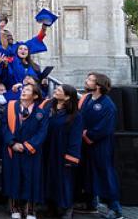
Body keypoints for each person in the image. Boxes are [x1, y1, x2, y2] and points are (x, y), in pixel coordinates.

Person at [77, 72, 123, 219]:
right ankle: (91, 204)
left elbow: (105, 128)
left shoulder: (108, 105)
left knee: (104, 174)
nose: (86, 81)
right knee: (88, 173)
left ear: (98, 85)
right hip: (85, 145)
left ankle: (115, 209)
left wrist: (88, 135)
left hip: (100, 146)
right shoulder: (87, 99)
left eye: (90, 80)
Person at [1, 83, 48, 219]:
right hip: (13, 149)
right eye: (23, 89)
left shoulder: (41, 113)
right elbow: (4, 126)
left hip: (31, 151)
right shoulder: (10, 107)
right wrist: (12, 143)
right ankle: (14, 208)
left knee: (31, 179)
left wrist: (28, 146)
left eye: (28, 90)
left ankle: (30, 210)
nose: (23, 91)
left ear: (35, 96)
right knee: (14, 178)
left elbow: (42, 133)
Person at [44, 84, 83, 219]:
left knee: (65, 181)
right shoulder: (49, 108)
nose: (55, 90)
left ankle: (67, 208)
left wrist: (71, 157)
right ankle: (51, 207)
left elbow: (75, 138)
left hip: (63, 152)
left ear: (67, 97)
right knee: (50, 179)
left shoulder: (75, 116)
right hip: (49, 150)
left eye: (59, 90)